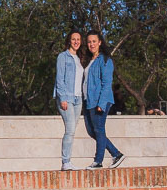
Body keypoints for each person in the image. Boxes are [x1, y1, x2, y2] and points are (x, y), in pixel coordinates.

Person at [82, 32, 125, 169]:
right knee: (92, 131)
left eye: (94, 41)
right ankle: (116, 154)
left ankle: (98, 161)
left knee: (99, 130)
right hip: (88, 101)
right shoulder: (90, 61)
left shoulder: (105, 60)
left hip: (100, 101)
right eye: (89, 42)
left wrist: (101, 103)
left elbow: (107, 83)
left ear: (100, 42)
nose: (91, 44)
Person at [52, 31, 84, 171]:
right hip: (67, 98)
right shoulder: (63, 57)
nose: (76, 41)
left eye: (78, 39)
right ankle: (66, 162)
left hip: (78, 99)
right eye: (73, 39)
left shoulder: (80, 59)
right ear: (69, 41)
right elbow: (60, 79)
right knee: (70, 129)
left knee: (72, 130)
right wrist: (63, 98)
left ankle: (68, 161)